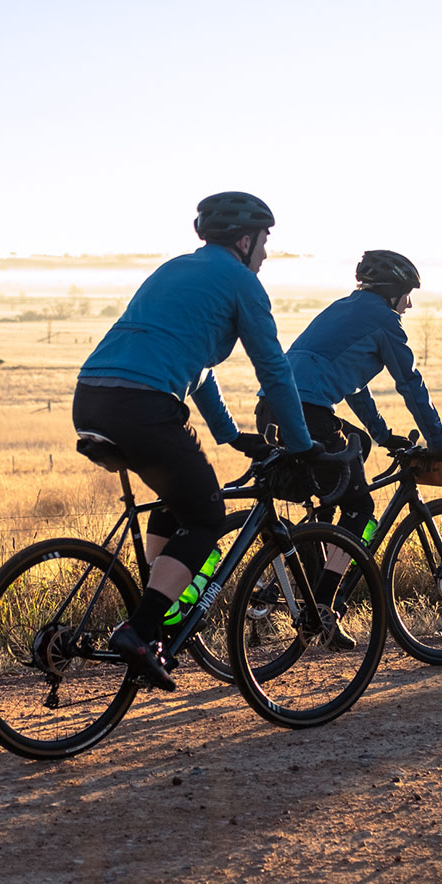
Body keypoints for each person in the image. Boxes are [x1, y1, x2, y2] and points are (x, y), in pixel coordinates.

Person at [72, 191, 318, 690]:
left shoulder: (173, 271)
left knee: (178, 499)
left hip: (92, 396)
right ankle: (141, 631)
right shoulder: (241, 283)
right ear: (245, 240)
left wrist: (230, 436)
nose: (266, 254)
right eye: (265, 242)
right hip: (144, 405)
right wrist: (303, 445)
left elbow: (198, 368)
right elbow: (273, 368)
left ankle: (157, 620)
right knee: (207, 515)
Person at [255, 249, 442, 615]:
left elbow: (353, 383)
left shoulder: (344, 309)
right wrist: (440, 443)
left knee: (355, 444)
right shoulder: (384, 322)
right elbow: (410, 384)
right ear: (393, 291)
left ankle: (314, 556)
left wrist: (381, 434)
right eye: (407, 294)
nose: (408, 305)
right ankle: (326, 608)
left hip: (270, 407)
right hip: (308, 414)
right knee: (360, 507)